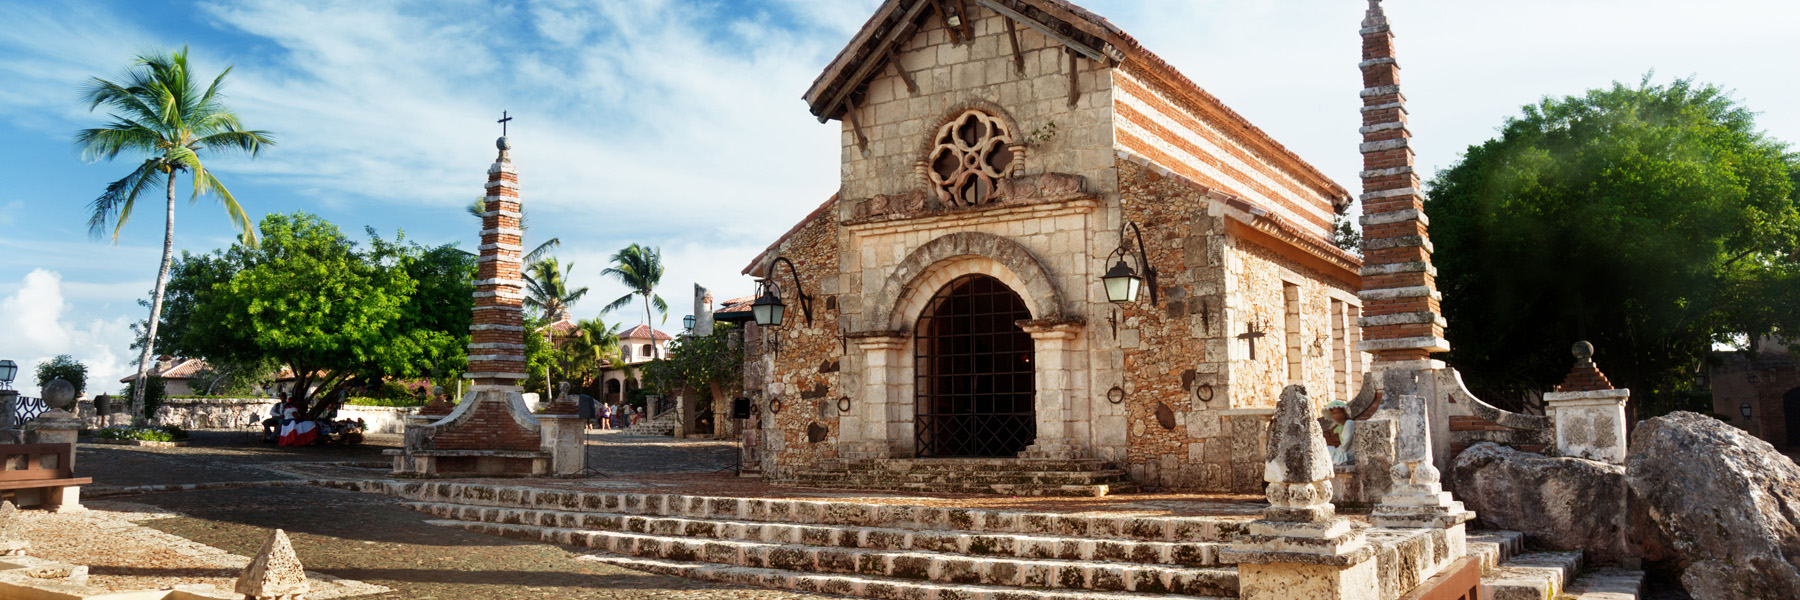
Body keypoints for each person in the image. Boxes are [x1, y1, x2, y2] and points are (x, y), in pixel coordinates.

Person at [1323, 400, 1355, 465]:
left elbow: (1346, 444)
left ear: (1344, 413)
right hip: (1344, 450)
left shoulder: (1349, 423)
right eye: (1334, 413)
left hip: (1350, 452)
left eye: (1339, 412)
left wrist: (1337, 453)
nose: (1337, 415)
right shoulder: (1341, 426)